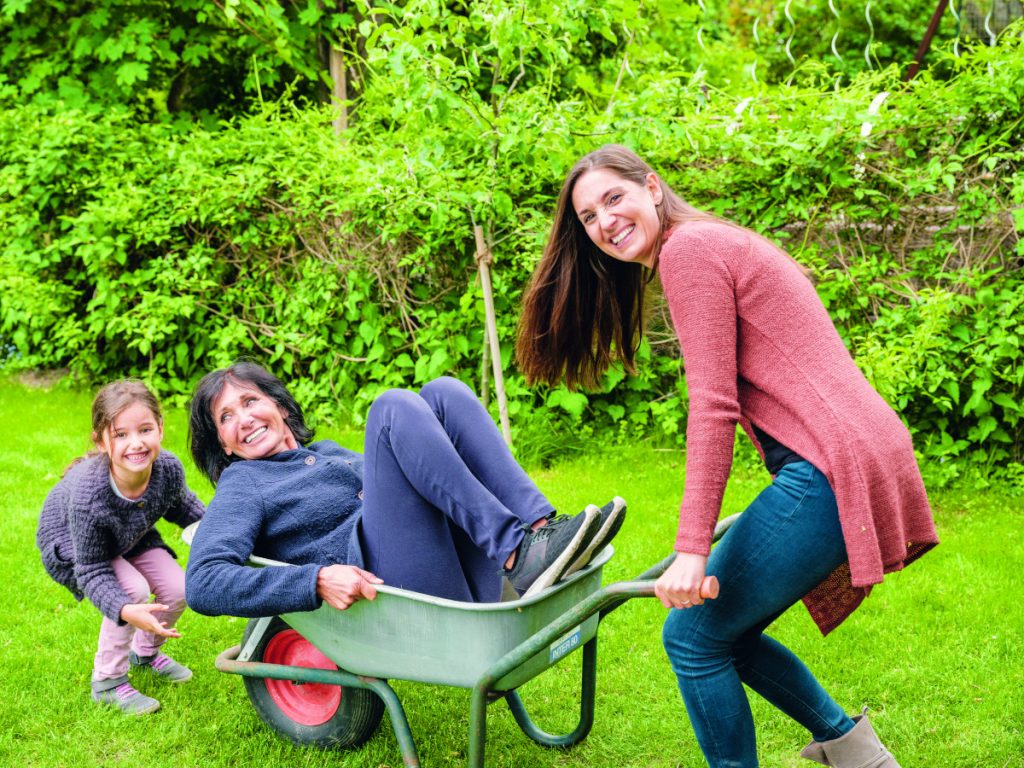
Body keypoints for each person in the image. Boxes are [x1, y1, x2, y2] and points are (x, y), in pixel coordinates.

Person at [516, 144, 939, 768]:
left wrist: (692, 551)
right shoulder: (706, 241)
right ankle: (861, 758)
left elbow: (712, 407)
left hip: (830, 467)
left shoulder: (688, 251)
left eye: (614, 198)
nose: (605, 222)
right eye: (588, 216)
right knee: (726, 633)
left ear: (652, 187)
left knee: (693, 638)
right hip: (848, 453)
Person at [184, 363, 626, 620]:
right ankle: (517, 553)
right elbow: (203, 582)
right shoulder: (243, 483)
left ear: (279, 407)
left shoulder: (326, 452)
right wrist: (315, 580)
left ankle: (541, 532)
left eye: (250, 401)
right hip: (394, 595)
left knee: (444, 392)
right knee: (391, 409)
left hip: (451, 566)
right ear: (224, 445)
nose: (243, 419)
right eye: (226, 417)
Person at [36, 380, 206, 715]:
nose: (136, 443)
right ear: (101, 441)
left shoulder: (167, 469)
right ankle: (108, 682)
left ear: (160, 428)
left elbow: (185, 509)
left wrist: (222, 534)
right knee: (132, 591)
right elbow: (92, 569)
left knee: (178, 588)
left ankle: (144, 653)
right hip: (74, 546)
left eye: (145, 430)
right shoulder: (90, 497)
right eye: (121, 434)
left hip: (129, 534)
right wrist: (125, 610)